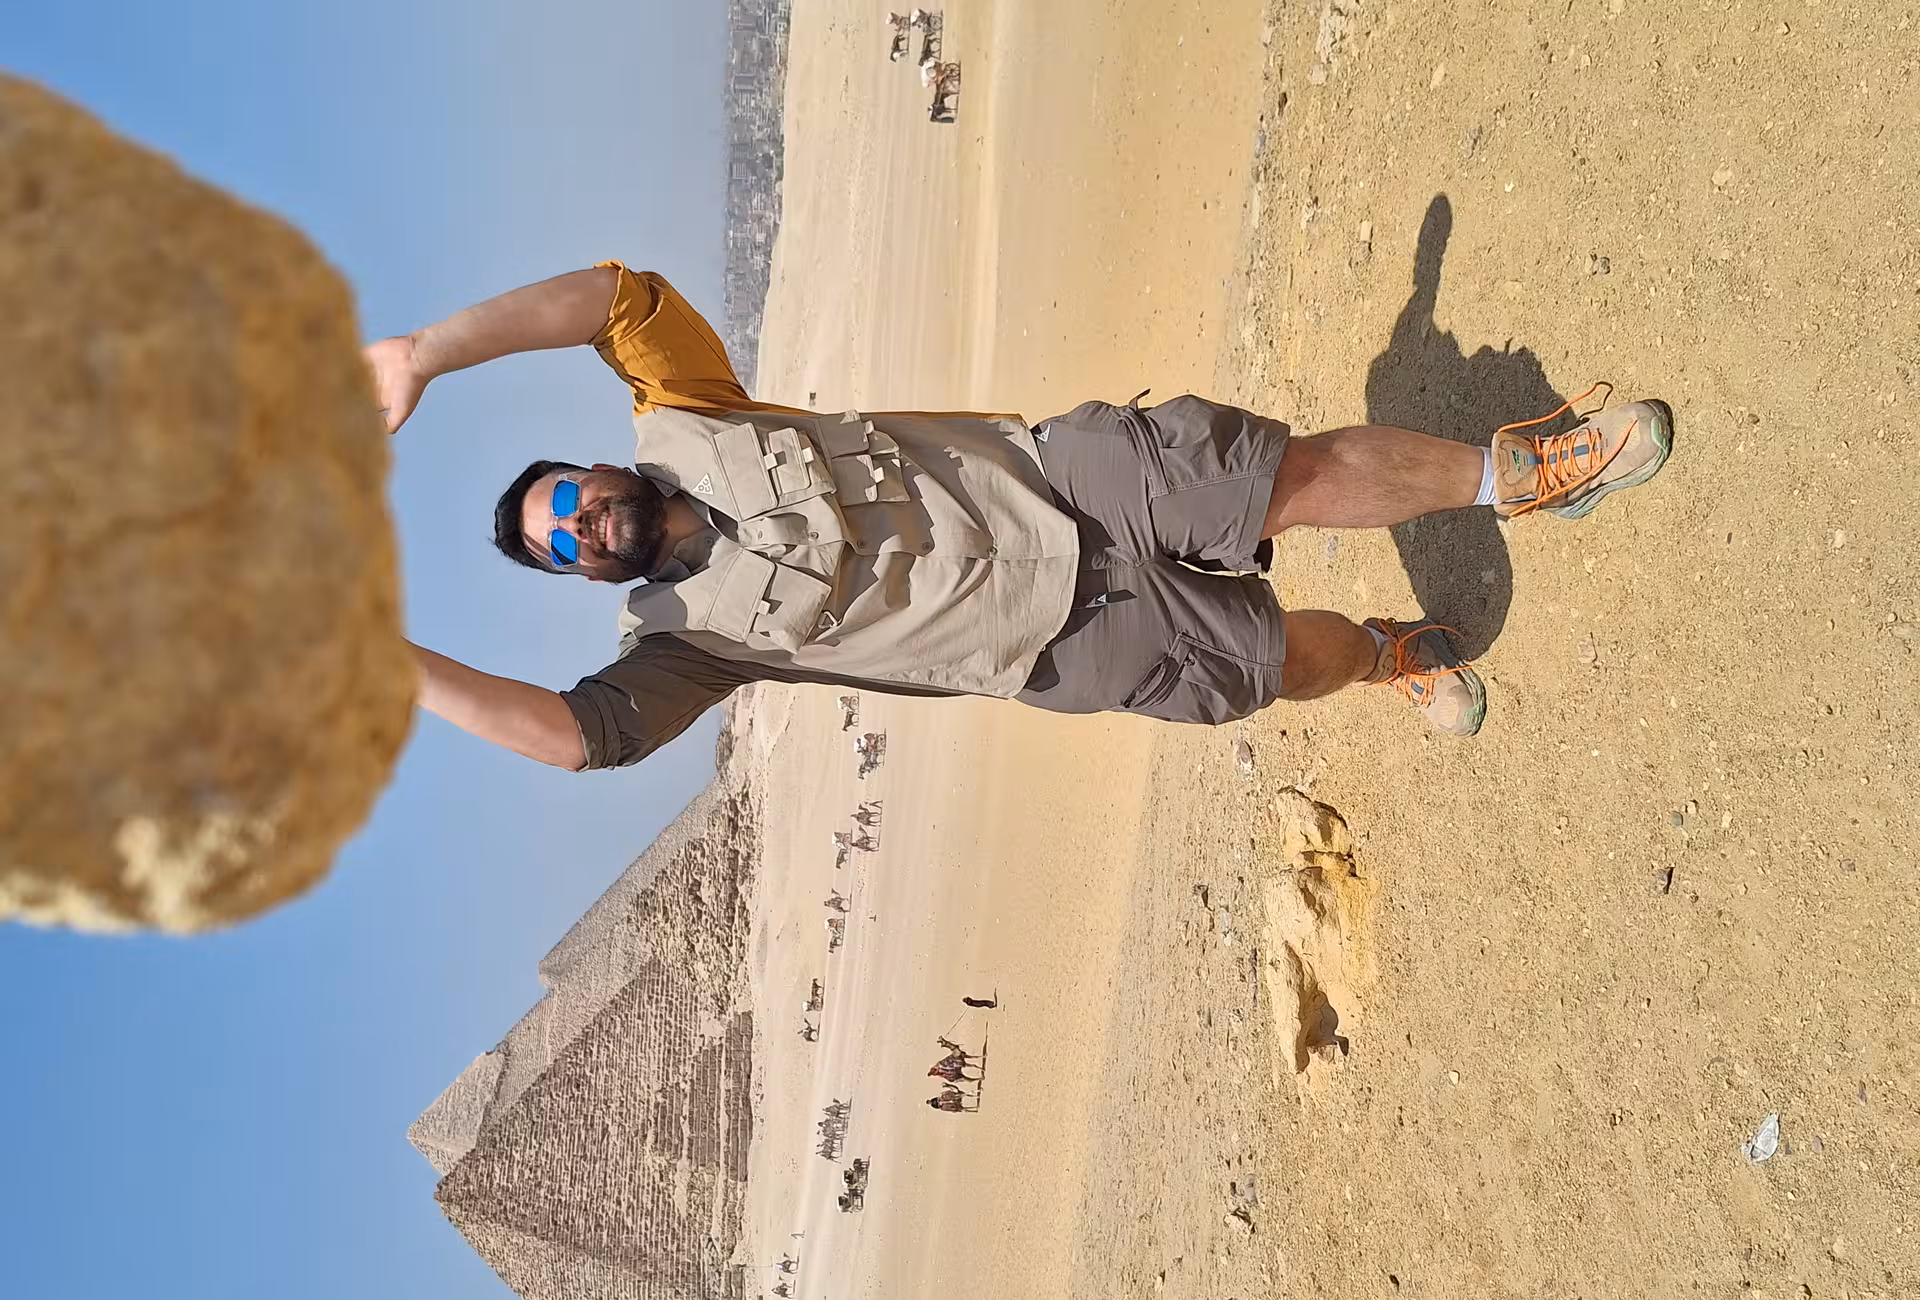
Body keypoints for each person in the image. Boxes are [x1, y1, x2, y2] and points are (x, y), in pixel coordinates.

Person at [367, 265, 1673, 767]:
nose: (578, 528)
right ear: (584, 581)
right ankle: (1386, 652)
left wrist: (429, 350)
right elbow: (578, 736)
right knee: (1281, 664)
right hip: (1054, 645)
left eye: (567, 501)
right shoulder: (690, 648)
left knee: (1298, 474)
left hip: (1060, 478)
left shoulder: (690, 413)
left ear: (601, 472)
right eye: (559, 548)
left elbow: (606, 299)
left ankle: (1523, 471)